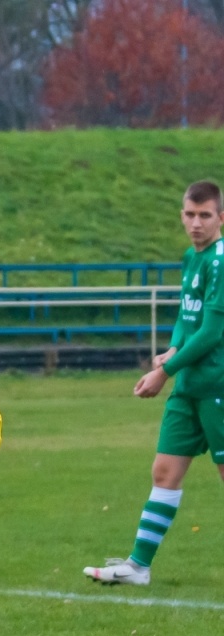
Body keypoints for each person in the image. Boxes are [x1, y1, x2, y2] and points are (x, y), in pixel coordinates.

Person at [85, 181, 224, 587]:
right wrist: (174, 349)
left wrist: (165, 370)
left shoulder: (221, 260)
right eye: (189, 214)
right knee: (164, 471)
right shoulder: (191, 258)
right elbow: (188, 315)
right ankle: (138, 567)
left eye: (205, 215)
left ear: (220, 218)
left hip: (217, 384)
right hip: (190, 386)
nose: (195, 223)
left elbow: (214, 331)